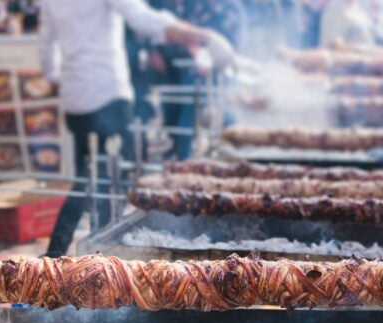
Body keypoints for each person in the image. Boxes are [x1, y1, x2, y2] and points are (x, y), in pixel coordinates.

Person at [40, 0, 236, 257]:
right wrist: (203, 37)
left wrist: (58, 77)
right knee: (110, 180)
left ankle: (71, 255)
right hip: (108, 95)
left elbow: (46, 47)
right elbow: (144, 19)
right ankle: (92, 259)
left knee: (89, 178)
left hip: (75, 100)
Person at [150, 0, 245, 160]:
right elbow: (176, 26)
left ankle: (184, 156)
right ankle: (176, 149)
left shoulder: (228, 8)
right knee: (171, 111)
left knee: (191, 113)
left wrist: (205, 54)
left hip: (204, 75)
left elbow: (229, 45)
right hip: (174, 68)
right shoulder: (187, 5)